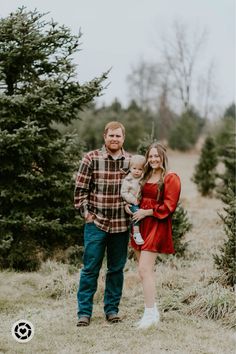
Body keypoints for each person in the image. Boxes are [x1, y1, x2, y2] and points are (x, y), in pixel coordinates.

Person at [74, 121, 131, 327]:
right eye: (111, 136)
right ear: (104, 136)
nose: (114, 139)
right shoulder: (91, 158)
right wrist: (87, 215)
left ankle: (112, 310)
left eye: (118, 136)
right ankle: (84, 313)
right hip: (96, 224)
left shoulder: (131, 161)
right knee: (90, 269)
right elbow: (80, 192)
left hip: (121, 225)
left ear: (123, 138)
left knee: (116, 270)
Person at [125, 142, 181, 329]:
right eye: (151, 156)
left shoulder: (171, 178)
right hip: (140, 224)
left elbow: (169, 206)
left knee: (144, 269)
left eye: (157, 156)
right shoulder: (146, 174)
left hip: (156, 224)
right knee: (144, 272)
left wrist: (146, 212)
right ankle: (153, 312)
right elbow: (138, 195)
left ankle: (149, 315)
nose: (153, 159)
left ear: (163, 156)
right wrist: (130, 206)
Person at [121, 154, 146, 245]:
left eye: (140, 169)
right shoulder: (127, 180)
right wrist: (133, 200)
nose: (137, 171)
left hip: (142, 201)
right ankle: (136, 233)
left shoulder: (143, 178)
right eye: (134, 168)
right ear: (130, 168)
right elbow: (124, 192)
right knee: (136, 212)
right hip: (132, 202)